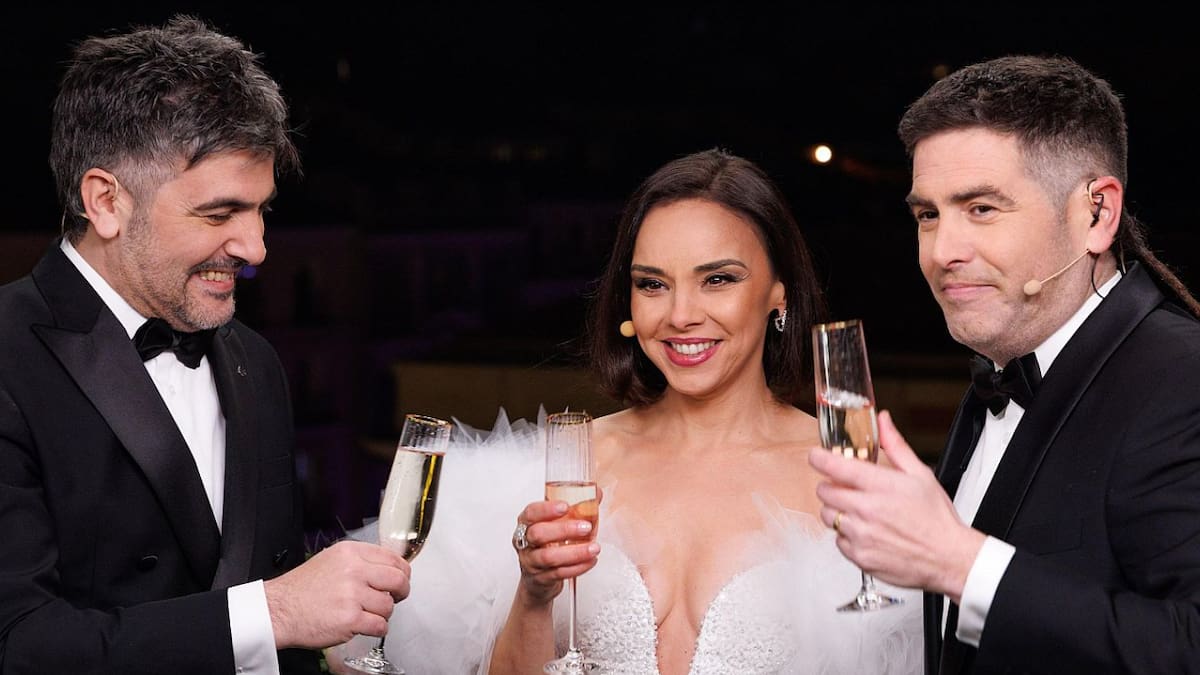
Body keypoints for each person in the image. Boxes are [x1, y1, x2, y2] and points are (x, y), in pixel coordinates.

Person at [0, 16, 412, 674]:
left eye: (261, 210)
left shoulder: (255, 361)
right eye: (220, 213)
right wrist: (276, 611)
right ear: (105, 202)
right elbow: (19, 645)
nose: (256, 249)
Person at [808, 54, 1200, 675]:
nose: (941, 252)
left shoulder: (1181, 377)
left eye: (982, 209)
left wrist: (957, 562)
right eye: (928, 215)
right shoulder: (1000, 374)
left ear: (1097, 214)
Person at [480, 148, 923, 674]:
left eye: (717, 279)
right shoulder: (572, 465)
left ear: (779, 293)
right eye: (652, 284)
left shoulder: (849, 474)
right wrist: (535, 595)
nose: (681, 315)